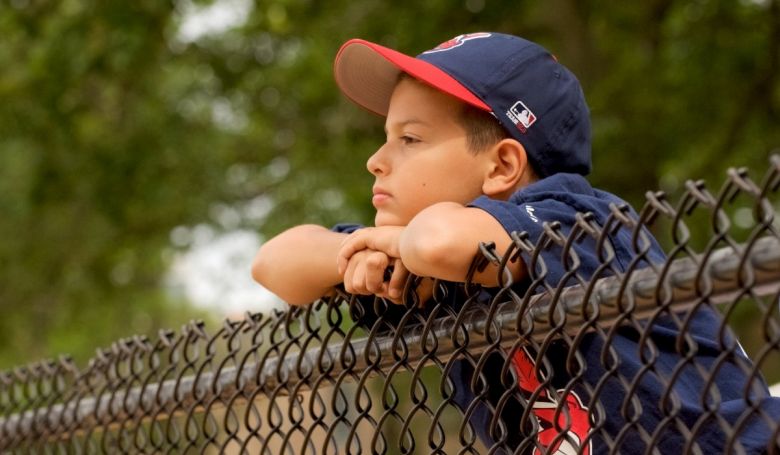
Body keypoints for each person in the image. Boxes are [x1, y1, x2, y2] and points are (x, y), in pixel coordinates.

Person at [252, 32, 778, 453]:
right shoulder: (411, 255)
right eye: (386, 138)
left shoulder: (578, 219)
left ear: (503, 165)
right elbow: (274, 263)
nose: (376, 160)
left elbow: (439, 242)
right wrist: (362, 251)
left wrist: (394, 244)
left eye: (409, 139)